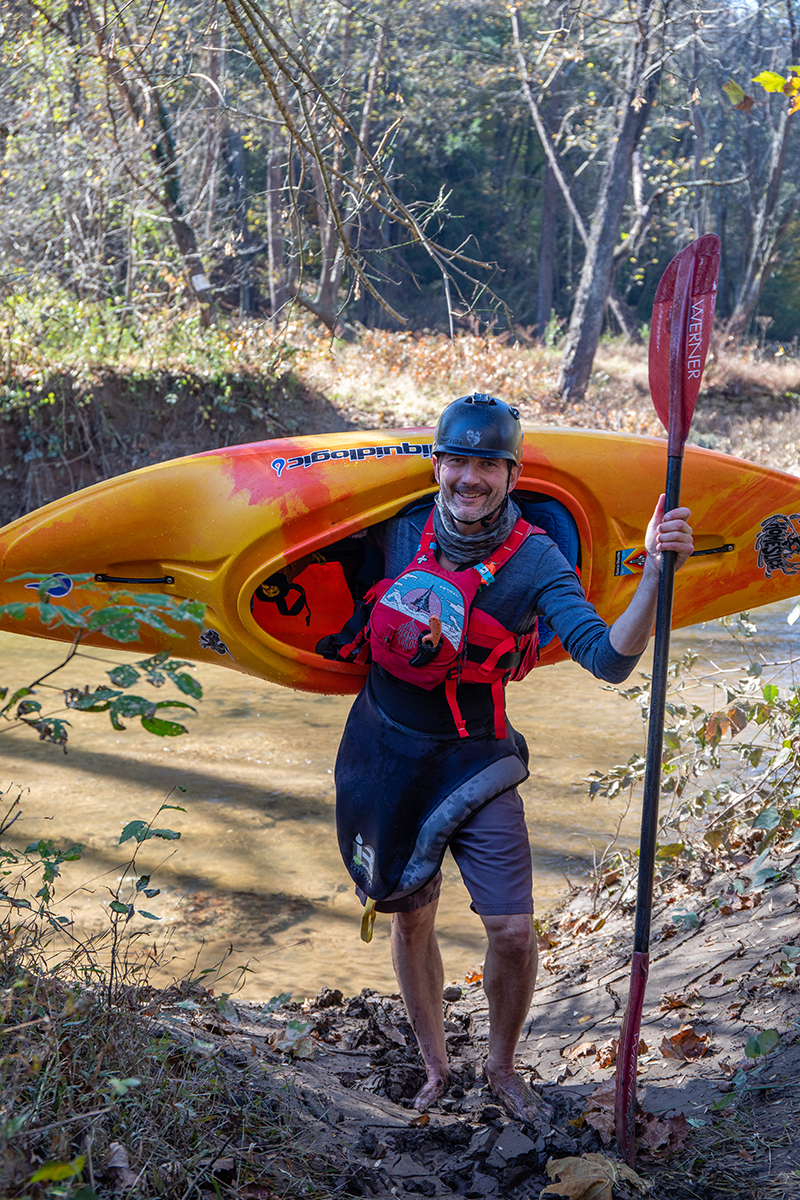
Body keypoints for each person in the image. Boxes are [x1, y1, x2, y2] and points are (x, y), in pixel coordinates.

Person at [331, 393, 694, 1121]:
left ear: (512, 473)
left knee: (514, 930)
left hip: (475, 761)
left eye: (487, 465)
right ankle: (436, 1065)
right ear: (436, 464)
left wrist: (653, 571)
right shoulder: (398, 528)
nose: (470, 478)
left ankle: (501, 1066)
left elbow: (608, 660)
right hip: (382, 752)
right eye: (457, 460)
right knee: (410, 918)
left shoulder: (537, 560)